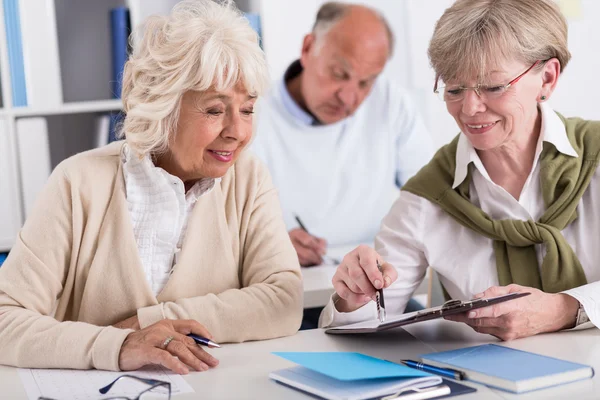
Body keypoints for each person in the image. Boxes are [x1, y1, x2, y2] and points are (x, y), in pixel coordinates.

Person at [0, 0, 302, 373]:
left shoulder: (249, 178)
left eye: (247, 109)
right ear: (163, 104)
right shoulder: (78, 182)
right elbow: (5, 320)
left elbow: (283, 301)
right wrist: (117, 345)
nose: (238, 133)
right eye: (214, 109)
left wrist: (146, 323)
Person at [320, 0, 600, 340]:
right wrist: (355, 296)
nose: (469, 108)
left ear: (548, 77)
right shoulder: (428, 196)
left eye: (494, 87)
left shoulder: (596, 156)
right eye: (454, 89)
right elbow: (357, 328)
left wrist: (564, 308)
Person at [251, 2, 434, 267]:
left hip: (373, 282)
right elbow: (227, 229)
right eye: (339, 74)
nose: (348, 98)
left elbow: (430, 201)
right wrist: (268, 244)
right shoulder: (251, 113)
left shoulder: (390, 103)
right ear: (307, 48)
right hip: (293, 287)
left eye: (365, 82)